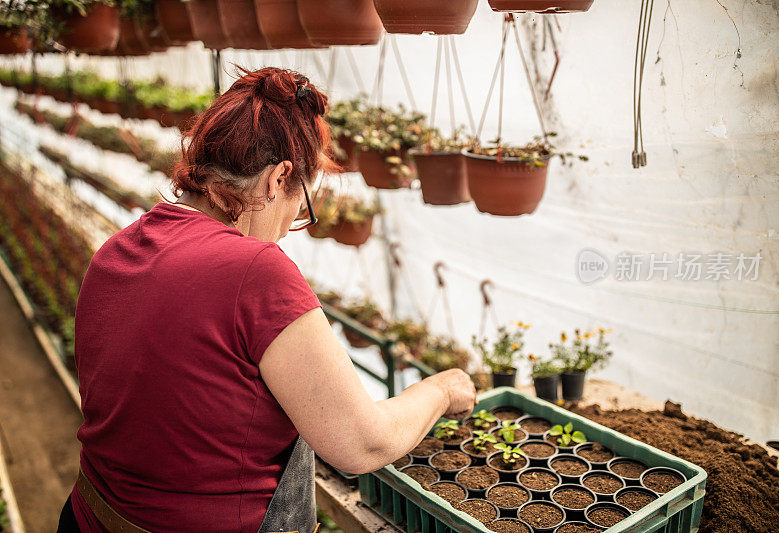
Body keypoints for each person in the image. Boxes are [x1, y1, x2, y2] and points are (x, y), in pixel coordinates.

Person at [57, 66, 476, 533]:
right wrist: (439, 391)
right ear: (278, 179)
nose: (288, 229)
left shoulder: (120, 247)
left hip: (86, 518)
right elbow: (362, 445)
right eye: (301, 209)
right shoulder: (256, 272)